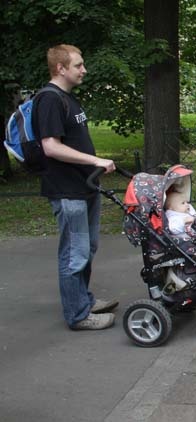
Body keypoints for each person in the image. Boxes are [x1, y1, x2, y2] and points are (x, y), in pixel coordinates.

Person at [33, 44, 117, 330]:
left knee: (87, 247)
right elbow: (51, 147)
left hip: (84, 187)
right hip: (67, 190)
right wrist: (95, 160)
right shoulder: (49, 100)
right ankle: (78, 314)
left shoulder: (68, 99)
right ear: (60, 68)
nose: (84, 70)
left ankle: (83, 299)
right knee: (74, 252)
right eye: (78, 65)